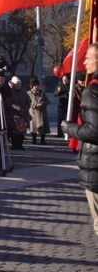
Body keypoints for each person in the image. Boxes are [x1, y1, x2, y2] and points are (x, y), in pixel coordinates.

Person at [62, 43, 98, 237]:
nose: (84, 62)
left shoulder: (92, 91)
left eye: (88, 58)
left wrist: (70, 128)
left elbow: (94, 131)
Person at [7, 76, 31, 150]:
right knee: (13, 131)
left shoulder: (24, 93)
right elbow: (9, 102)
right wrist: (16, 107)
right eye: (16, 84)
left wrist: (24, 109)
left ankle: (20, 145)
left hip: (22, 114)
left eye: (19, 84)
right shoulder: (10, 92)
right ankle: (14, 145)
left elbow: (28, 102)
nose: (18, 86)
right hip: (12, 115)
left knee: (21, 131)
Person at [28, 77, 49, 145]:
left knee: (43, 126)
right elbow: (27, 102)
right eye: (34, 85)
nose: (36, 87)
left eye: (37, 85)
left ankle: (42, 140)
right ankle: (34, 140)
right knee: (33, 127)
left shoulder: (42, 93)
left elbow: (48, 101)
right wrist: (34, 105)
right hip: (33, 113)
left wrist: (43, 103)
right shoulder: (28, 93)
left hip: (41, 112)